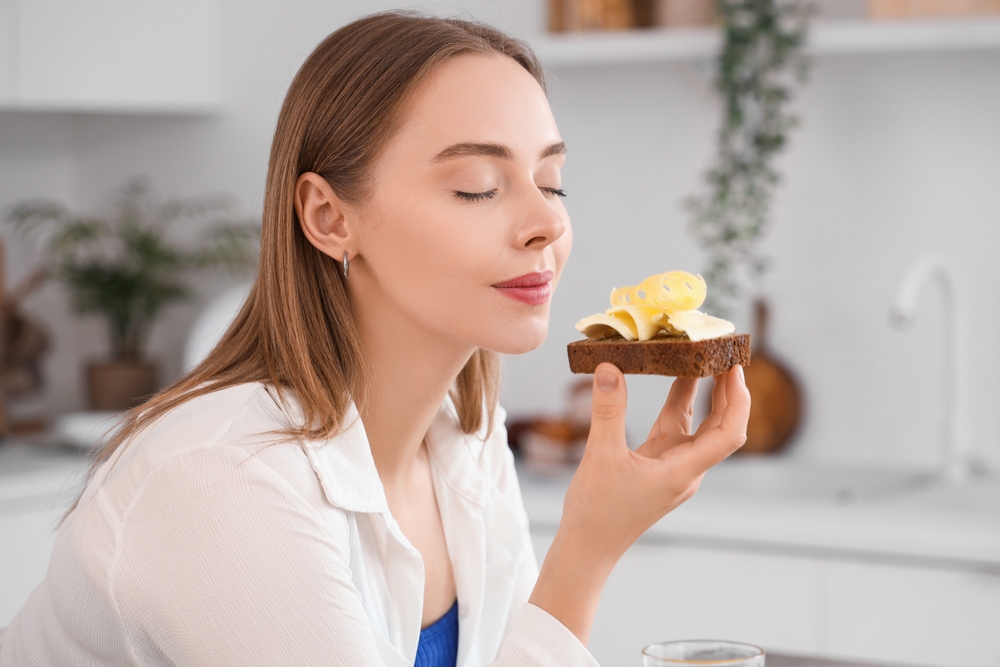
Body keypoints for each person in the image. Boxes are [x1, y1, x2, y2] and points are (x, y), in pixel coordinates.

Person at [0, 11, 750, 667]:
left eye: (552, 182)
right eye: (478, 187)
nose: (547, 223)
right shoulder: (219, 476)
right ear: (329, 218)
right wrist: (588, 549)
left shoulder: (465, 436)